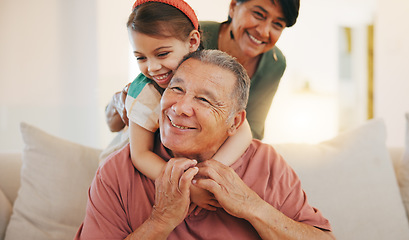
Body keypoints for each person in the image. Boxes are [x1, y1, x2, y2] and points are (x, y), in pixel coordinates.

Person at [75, 50, 334, 239]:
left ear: (235, 123)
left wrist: (252, 206)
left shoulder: (266, 164)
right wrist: (161, 220)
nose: (180, 108)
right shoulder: (119, 170)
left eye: (205, 100)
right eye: (176, 89)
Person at [117, 0, 253, 213]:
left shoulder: (210, 72)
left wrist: (207, 174)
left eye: (162, 54)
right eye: (140, 58)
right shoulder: (143, 93)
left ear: (192, 41)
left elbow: (244, 132)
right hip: (131, 155)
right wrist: (189, 185)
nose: (152, 67)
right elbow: (140, 155)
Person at [106, 0, 300, 140]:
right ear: (233, 6)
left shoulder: (275, 63)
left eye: (277, 24)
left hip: (215, 145)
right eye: (258, 14)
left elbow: (254, 128)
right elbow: (145, 89)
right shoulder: (189, 38)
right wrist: (120, 102)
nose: (264, 31)